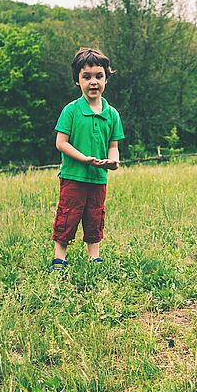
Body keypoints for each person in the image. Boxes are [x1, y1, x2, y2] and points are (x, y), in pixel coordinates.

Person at [50, 47, 124, 271]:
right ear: (77, 81)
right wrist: (83, 159)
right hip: (74, 176)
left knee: (95, 216)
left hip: (98, 178)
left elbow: (113, 146)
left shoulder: (112, 114)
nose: (93, 82)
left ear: (106, 79)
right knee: (68, 215)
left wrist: (113, 162)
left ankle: (95, 258)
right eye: (87, 77)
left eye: (99, 76)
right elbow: (61, 143)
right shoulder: (71, 110)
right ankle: (59, 259)